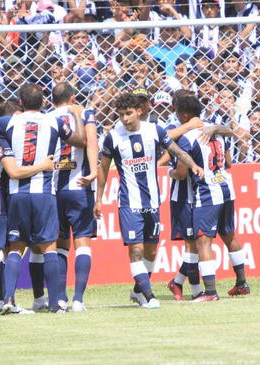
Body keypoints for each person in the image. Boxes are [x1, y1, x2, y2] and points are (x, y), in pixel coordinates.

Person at [0, 83, 87, 314]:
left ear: (20, 103)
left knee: (15, 248)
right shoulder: (54, 121)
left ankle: (8, 300)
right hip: (44, 193)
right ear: (44, 102)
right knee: (49, 246)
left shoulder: (10, 122)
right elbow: (81, 141)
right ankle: (55, 304)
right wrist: (77, 115)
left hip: (17, 195)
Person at [94, 92, 203, 309]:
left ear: (139, 111)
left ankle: (138, 291)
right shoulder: (113, 137)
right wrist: (99, 199)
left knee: (151, 251)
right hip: (128, 203)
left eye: (128, 113)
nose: (125, 119)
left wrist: (192, 165)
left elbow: (176, 151)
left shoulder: (154, 131)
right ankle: (149, 296)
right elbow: (103, 168)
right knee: (135, 250)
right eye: (121, 114)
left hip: (152, 200)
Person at [0, 102, 56, 317]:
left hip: (2, 205)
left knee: (8, 254)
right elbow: (14, 172)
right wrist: (42, 166)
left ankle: (4, 302)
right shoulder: (1, 143)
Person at [169, 94, 250, 301]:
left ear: (184, 115)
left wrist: (169, 173)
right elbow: (229, 164)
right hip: (226, 188)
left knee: (203, 241)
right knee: (229, 235)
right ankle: (242, 283)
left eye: (177, 113)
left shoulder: (187, 138)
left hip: (207, 192)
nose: (176, 116)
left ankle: (211, 292)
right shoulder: (216, 130)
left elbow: (180, 172)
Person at [37, 83, 98, 313]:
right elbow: (90, 141)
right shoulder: (84, 113)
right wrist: (93, 172)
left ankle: (60, 298)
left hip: (53, 189)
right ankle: (79, 300)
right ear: (73, 97)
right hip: (79, 186)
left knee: (60, 245)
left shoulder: (46, 118)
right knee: (82, 242)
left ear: (52, 100)